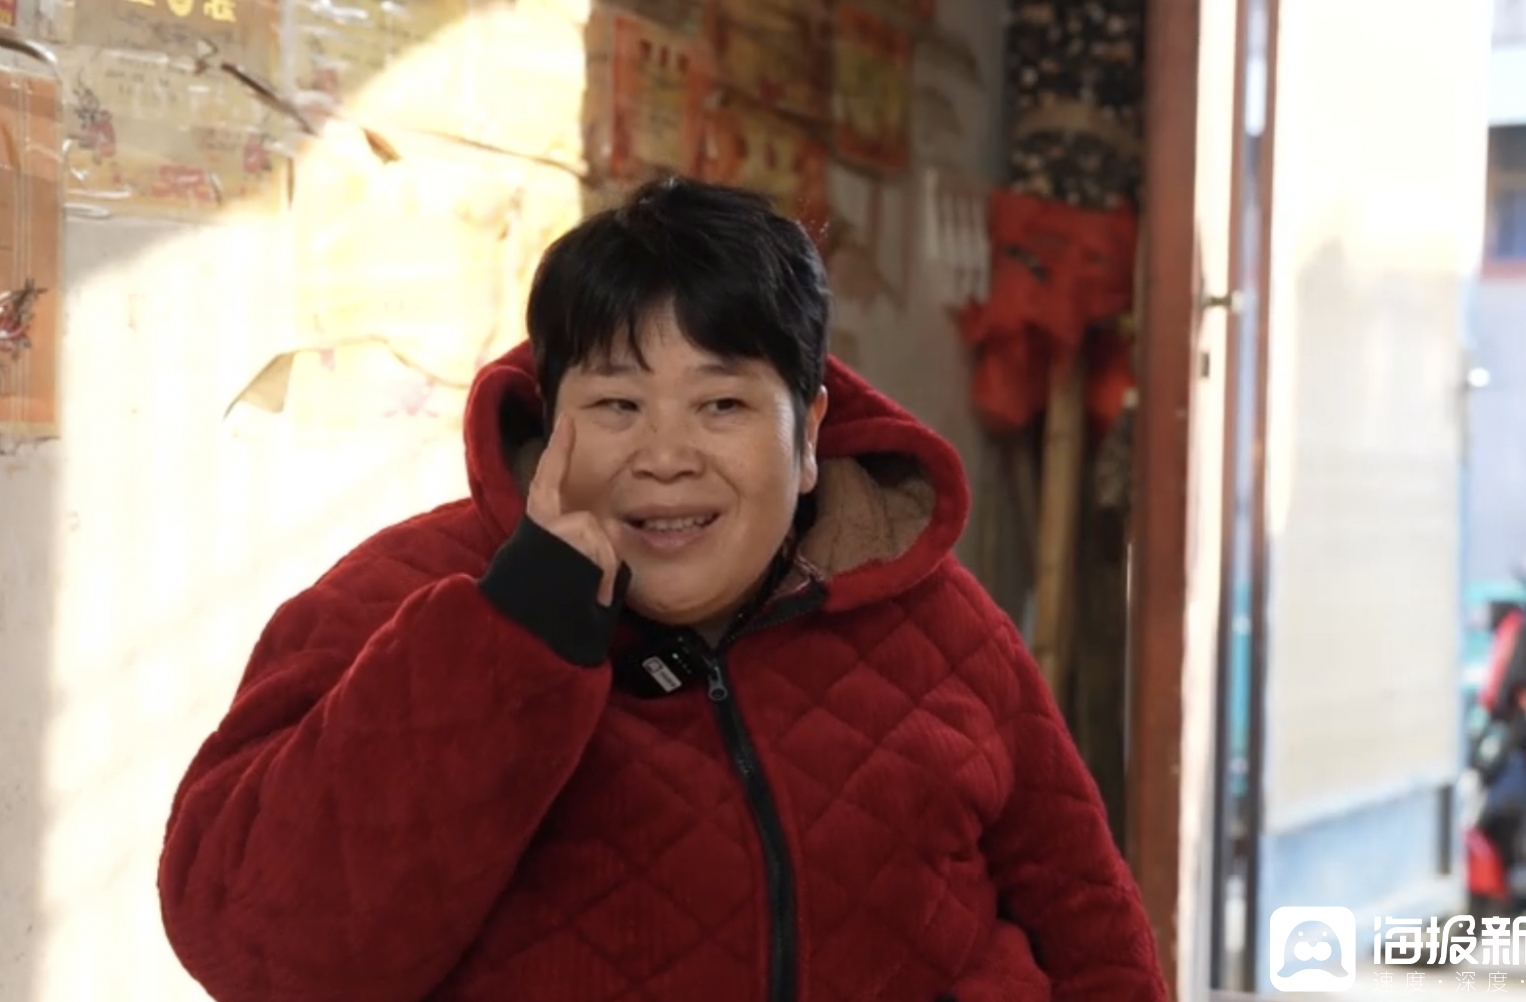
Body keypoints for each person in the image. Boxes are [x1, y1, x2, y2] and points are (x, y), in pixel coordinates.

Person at [158, 177, 1167, 1002]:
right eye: (616, 404)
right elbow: (254, 952)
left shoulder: (934, 615)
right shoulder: (401, 597)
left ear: (809, 434)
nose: (667, 456)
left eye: (722, 404)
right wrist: (516, 632)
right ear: (553, 418)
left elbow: (1086, 918)